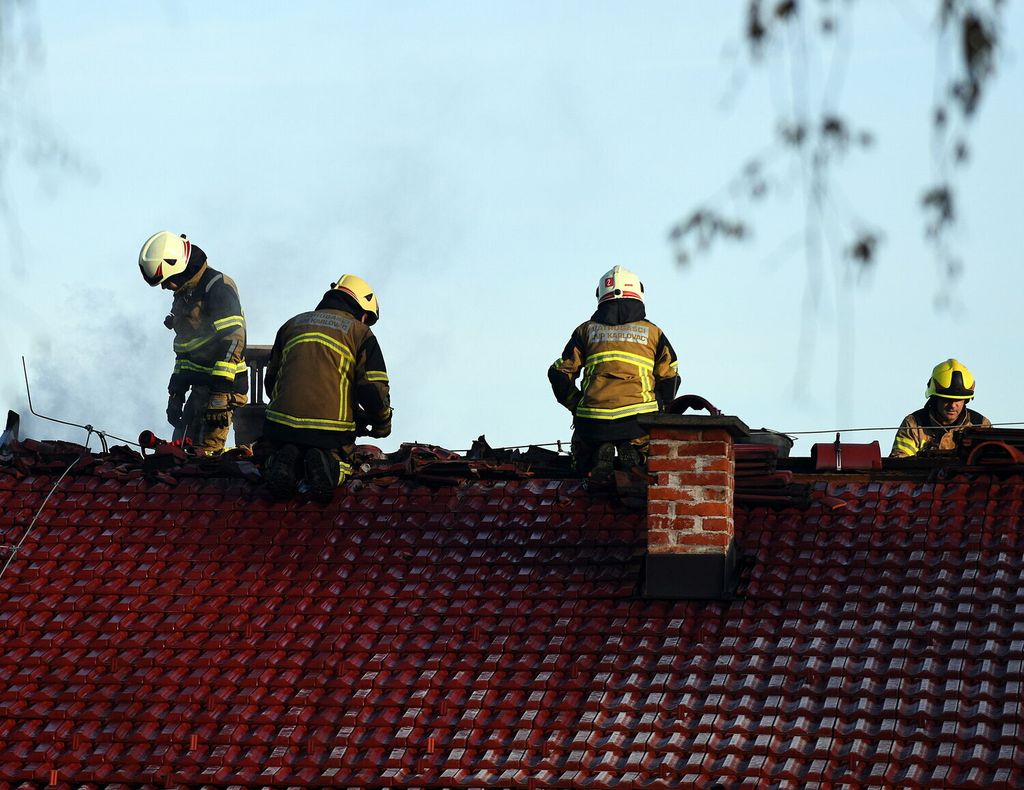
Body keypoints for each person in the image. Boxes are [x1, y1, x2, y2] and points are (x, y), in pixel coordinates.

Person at [260, 274, 392, 501]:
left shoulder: (292, 324)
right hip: (330, 433)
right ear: (362, 311)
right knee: (342, 460)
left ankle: (277, 459)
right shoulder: (360, 333)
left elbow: (271, 382)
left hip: (279, 427)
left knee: (267, 451)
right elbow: (372, 391)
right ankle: (332, 467)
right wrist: (382, 423)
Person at [548, 265, 680, 482]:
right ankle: (636, 454)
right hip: (638, 421)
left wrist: (576, 404)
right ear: (638, 293)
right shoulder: (654, 333)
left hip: (593, 422)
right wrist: (660, 411)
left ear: (600, 295)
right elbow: (670, 378)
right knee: (652, 454)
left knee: (581, 463)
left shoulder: (586, 331)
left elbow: (558, 373)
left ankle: (596, 453)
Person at [139, 231, 248, 454]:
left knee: (204, 458)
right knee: (180, 451)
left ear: (176, 266)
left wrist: (219, 393)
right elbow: (184, 348)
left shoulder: (217, 286)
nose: (165, 287)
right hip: (199, 389)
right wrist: (176, 392)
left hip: (223, 391)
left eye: (165, 281)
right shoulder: (185, 293)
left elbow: (233, 340)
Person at [890, 358, 991, 458]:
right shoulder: (914, 425)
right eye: (947, 399)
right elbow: (900, 462)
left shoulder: (980, 425)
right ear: (935, 398)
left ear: (966, 400)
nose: (952, 405)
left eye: (958, 400)